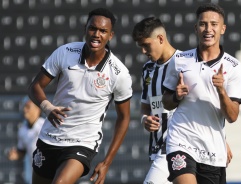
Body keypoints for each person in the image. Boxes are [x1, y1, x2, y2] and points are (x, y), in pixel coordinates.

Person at [28, 8, 132, 184]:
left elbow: (124, 118)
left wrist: (107, 162)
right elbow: (35, 86)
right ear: (85, 28)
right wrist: (48, 107)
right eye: (93, 28)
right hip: (50, 137)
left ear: (111, 36)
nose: (96, 35)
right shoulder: (65, 52)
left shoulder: (119, 73)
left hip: (82, 142)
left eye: (103, 31)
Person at [162, 3, 241, 184]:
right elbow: (166, 102)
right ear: (196, 28)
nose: (208, 29)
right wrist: (176, 96)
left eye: (214, 24)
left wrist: (221, 91)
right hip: (180, 140)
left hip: (213, 149)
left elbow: (232, 116)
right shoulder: (179, 60)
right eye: (203, 24)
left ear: (222, 29)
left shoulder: (234, 67)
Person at [132, 17, 181, 184]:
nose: (143, 51)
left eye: (146, 45)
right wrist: (145, 119)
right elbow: (147, 106)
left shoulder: (185, 63)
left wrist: (221, 140)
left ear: (160, 38)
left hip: (178, 146)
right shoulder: (148, 69)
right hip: (157, 147)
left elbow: (204, 105)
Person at [8, 96, 44, 184]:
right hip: (32, 176)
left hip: (48, 175)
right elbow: (22, 152)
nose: (25, 110)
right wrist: (15, 154)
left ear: (37, 109)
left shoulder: (45, 126)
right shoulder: (22, 130)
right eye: (24, 107)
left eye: (28, 107)